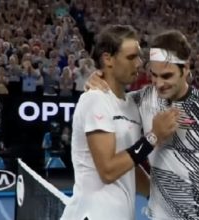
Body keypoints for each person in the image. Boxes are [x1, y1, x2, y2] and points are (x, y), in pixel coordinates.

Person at [87, 30, 199, 220]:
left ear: (185, 68)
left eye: (167, 76)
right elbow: (108, 99)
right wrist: (96, 78)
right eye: (154, 75)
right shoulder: (142, 100)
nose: (159, 83)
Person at [60, 25, 179, 220]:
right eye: (131, 57)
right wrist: (152, 137)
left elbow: (127, 167)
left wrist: (159, 197)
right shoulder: (95, 100)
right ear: (108, 59)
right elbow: (108, 170)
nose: (139, 63)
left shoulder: (130, 104)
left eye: (139, 57)